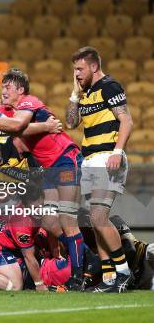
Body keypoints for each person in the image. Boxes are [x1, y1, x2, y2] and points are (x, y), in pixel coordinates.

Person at [0, 68, 86, 291]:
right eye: (2, 87)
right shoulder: (3, 116)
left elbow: (19, 127)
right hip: (29, 178)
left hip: (53, 168)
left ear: (20, 90)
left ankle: (81, 267)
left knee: (59, 221)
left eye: (8, 86)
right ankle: (78, 269)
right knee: (47, 219)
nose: (3, 91)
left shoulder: (28, 104)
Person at [66, 46, 134, 293]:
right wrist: (75, 94)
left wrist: (116, 152)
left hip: (108, 158)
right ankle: (107, 278)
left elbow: (126, 120)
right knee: (95, 223)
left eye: (80, 68)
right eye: (74, 69)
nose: (76, 73)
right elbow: (71, 122)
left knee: (98, 217)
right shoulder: (85, 93)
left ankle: (124, 273)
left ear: (94, 66)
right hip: (90, 160)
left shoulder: (110, 86)